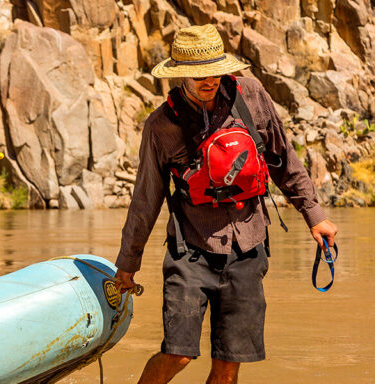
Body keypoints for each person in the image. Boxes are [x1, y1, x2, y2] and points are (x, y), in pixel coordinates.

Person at [113, 24, 339, 384]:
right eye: (200, 74)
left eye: (215, 71)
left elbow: (282, 157)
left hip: (248, 247)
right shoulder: (160, 126)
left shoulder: (250, 95)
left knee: (229, 363)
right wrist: (127, 264)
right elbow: (145, 199)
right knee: (179, 353)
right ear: (181, 74)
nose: (210, 80)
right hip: (190, 250)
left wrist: (314, 215)